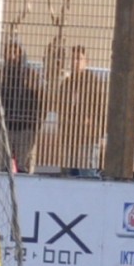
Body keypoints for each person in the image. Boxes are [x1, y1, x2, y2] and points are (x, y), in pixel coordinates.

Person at [53, 45, 106, 177]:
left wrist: (94, 125)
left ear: (86, 61)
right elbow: (59, 107)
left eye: (79, 59)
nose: (75, 62)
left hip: (87, 138)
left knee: (86, 174)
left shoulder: (94, 83)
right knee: (68, 174)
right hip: (69, 137)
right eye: (72, 59)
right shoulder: (66, 84)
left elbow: (102, 109)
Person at [0, 40, 44, 173]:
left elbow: (41, 102)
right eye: (9, 52)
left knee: (23, 169)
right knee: (1, 169)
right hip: (4, 129)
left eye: (15, 52)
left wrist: (34, 124)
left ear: (21, 55)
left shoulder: (32, 76)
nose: (12, 56)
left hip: (25, 130)